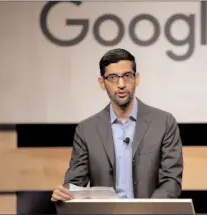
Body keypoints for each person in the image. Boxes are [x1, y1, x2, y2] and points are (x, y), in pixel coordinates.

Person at [51, 48, 183, 201]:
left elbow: (171, 181)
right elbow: (75, 183)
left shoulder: (164, 122)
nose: (121, 84)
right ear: (102, 83)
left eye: (127, 76)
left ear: (137, 78)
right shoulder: (86, 130)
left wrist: (147, 211)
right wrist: (65, 193)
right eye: (113, 77)